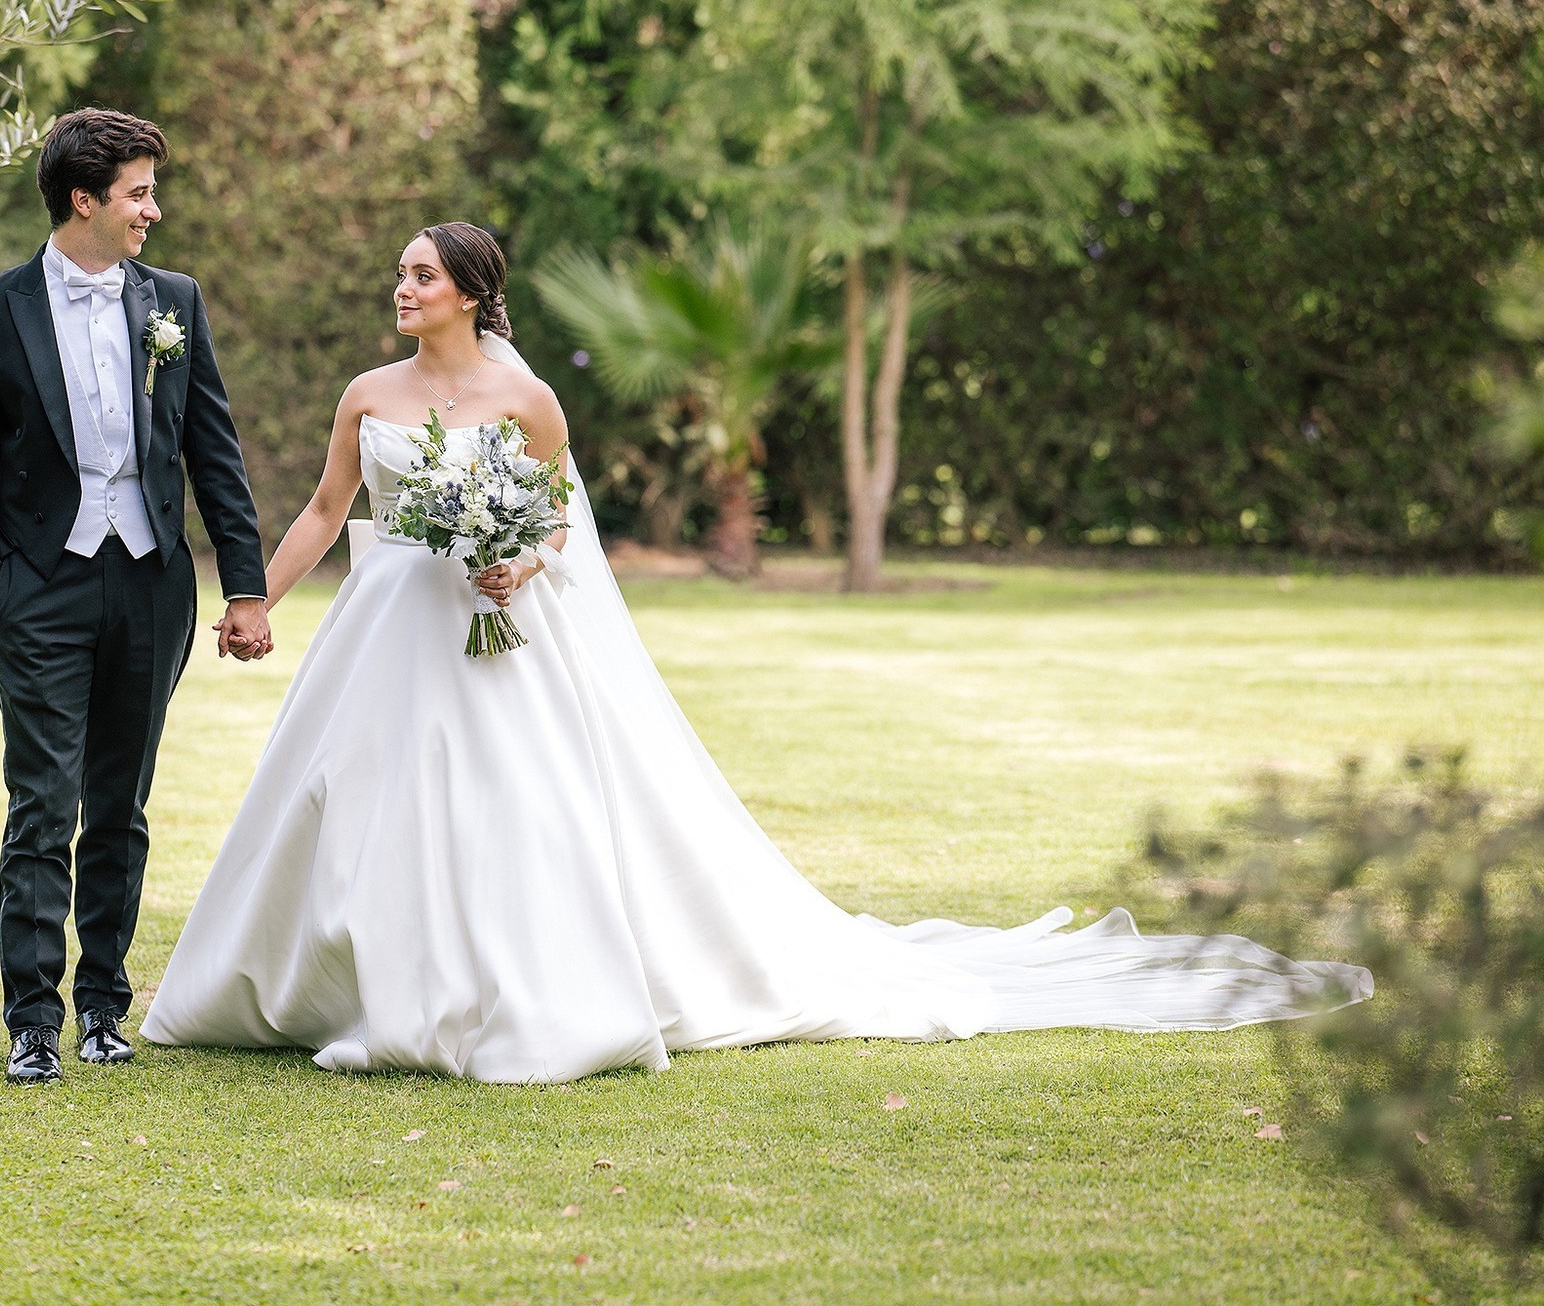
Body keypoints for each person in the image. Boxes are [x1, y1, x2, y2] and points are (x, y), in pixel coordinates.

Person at [138, 221, 1372, 1084]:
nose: (397, 289)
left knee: (504, 807)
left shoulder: (526, 402)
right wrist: (253, 600)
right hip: (384, 626)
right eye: (396, 274)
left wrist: (518, 559)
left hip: (493, 629)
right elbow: (319, 509)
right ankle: (333, 990)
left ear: (466, 290)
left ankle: (502, 999)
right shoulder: (366, 392)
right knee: (352, 802)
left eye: (417, 275)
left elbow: (556, 513)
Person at [0, 109, 274, 1084]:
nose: (152, 212)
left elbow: (213, 449)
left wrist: (242, 586)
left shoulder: (172, 301)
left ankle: (102, 1011)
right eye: (136, 194)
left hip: (152, 586)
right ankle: (32, 1024)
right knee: (41, 805)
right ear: (82, 200)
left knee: (120, 805)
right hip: (39, 590)